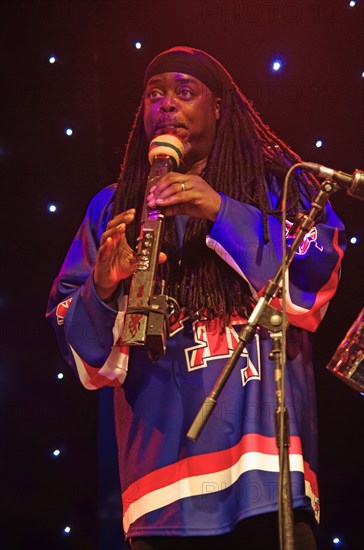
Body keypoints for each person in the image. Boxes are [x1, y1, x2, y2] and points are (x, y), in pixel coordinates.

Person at [46, 46, 346, 549]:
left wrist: (220, 209)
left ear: (220, 109)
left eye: (185, 92)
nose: (166, 104)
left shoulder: (273, 185)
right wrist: (102, 285)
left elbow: (314, 282)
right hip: (161, 490)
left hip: (265, 476)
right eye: (154, 94)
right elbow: (84, 358)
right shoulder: (112, 208)